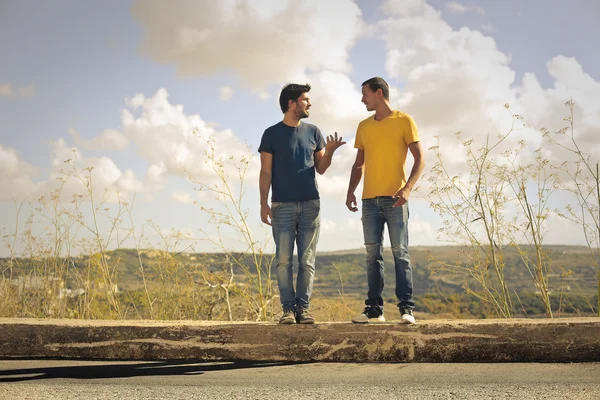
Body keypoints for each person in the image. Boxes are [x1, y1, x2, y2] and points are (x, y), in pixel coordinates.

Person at [259, 83, 345, 324]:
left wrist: (329, 152)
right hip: (282, 207)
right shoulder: (271, 134)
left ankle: (302, 310)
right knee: (283, 261)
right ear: (291, 103)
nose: (309, 104)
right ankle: (287, 309)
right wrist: (263, 203)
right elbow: (265, 172)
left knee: (307, 262)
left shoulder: (314, 132)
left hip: (310, 206)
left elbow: (321, 168)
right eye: (305, 99)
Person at [346, 77, 425, 324]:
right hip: (369, 201)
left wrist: (408, 188)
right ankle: (374, 310)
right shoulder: (364, 126)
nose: (362, 99)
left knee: (400, 253)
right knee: (373, 256)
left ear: (379, 93)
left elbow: (420, 159)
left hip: (395, 199)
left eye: (365, 94)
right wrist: (350, 191)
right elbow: (359, 163)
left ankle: (406, 309)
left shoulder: (404, 121)